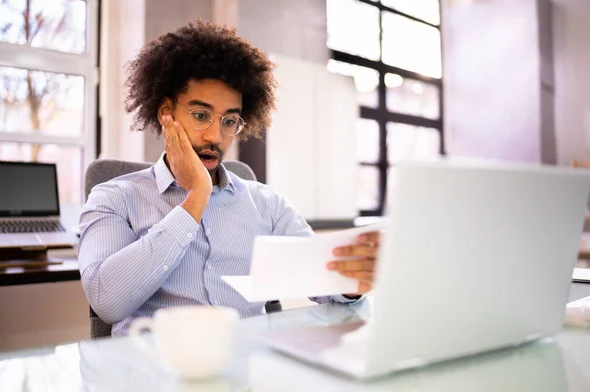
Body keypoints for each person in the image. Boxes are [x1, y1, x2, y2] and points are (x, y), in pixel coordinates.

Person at [78, 20, 380, 336]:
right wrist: (196, 197)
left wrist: (349, 280)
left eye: (229, 121)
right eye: (200, 115)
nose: (216, 136)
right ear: (166, 112)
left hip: (245, 373)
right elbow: (106, 302)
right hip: (150, 372)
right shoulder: (114, 197)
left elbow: (322, 279)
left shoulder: (267, 205)